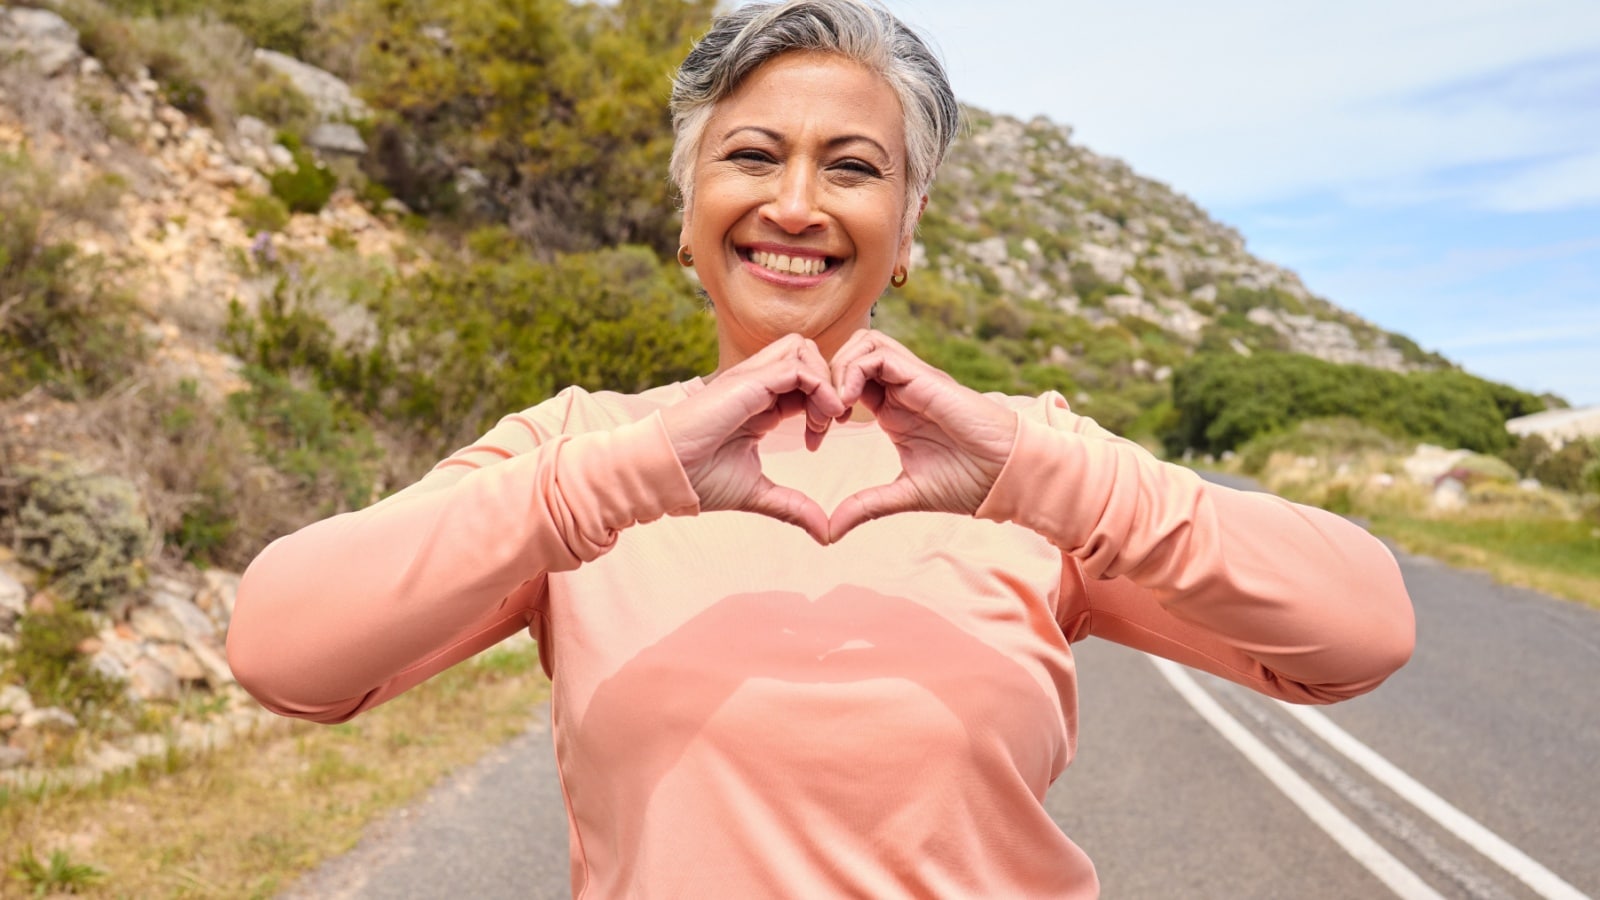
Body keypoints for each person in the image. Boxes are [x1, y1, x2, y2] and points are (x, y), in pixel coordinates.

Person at [226, 1, 1416, 896]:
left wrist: (1041, 473)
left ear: (905, 234)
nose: (796, 204)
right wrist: (628, 475)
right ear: (687, 211)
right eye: (750, 156)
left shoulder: (1025, 462)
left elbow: (1359, 634)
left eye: (853, 168)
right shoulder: (579, 453)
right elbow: (285, 652)